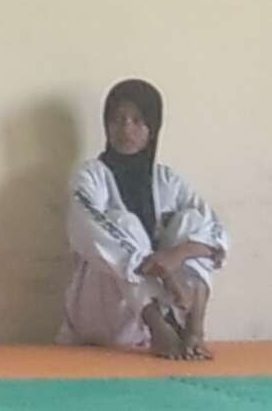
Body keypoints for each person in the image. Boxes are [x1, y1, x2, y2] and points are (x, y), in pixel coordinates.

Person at [64, 77, 229, 358]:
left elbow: (215, 232)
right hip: (106, 316)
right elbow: (87, 231)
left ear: (152, 129)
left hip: (172, 305)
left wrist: (177, 254)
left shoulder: (167, 180)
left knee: (192, 221)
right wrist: (159, 268)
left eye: (138, 120)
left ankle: (193, 329)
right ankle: (158, 328)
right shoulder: (90, 176)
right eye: (118, 119)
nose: (126, 128)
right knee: (123, 223)